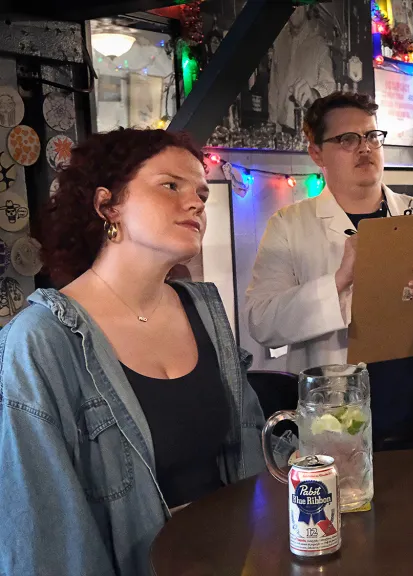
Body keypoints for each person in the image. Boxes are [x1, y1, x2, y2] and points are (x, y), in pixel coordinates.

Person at [0, 129, 268, 576]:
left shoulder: (204, 311)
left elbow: (251, 451)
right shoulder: (41, 340)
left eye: (201, 193)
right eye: (171, 185)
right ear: (108, 205)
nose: (196, 203)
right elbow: (42, 537)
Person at [245, 91, 413, 451]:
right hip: (339, 424)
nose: (364, 148)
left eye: (371, 136)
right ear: (317, 153)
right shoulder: (290, 225)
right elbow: (262, 321)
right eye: (347, 139)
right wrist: (339, 281)